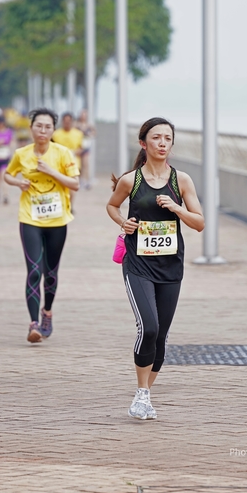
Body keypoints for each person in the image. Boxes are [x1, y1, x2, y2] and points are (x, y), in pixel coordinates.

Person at [106, 117, 204, 420]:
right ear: (143, 143)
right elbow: (112, 205)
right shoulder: (131, 180)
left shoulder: (181, 180)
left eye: (167, 138)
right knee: (148, 327)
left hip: (170, 266)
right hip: (138, 264)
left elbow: (199, 223)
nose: (162, 143)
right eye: (156, 137)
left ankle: (146, 392)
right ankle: (141, 393)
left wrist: (177, 208)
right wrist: (123, 222)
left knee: (160, 335)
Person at [4, 107, 80, 343]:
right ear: (31, 128)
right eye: (39, 126)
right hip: (30, 219)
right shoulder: (22, 154)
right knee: (34, 271)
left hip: (57, 220)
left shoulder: (63, 153)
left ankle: (47, 312)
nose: (43, 131)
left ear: (53, 130)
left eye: (48, 127)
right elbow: (8, 174)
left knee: (51, 273)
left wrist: (51, 171)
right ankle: (33, 324)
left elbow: (75, 184)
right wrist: (18, 183)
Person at [52, 112, 84, 212]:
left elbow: (81, 148)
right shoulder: (56, 134)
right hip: (59, 163)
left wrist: (75, 152)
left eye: (69, 121)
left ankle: (69, 205)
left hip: (73, 163)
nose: (67, 123)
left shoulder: (78, 134)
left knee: (72, 186)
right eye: (65, 121)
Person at [76, 109, 95, 188]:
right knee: (79, 165)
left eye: (84, 115)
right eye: (82, 115)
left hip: (85, 146)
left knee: (85, 164)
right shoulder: (76, 125)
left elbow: (94, 133)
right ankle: (79, 181)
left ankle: (86, 181)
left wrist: (89, 134)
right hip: (78, 146)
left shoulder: (89, 125)